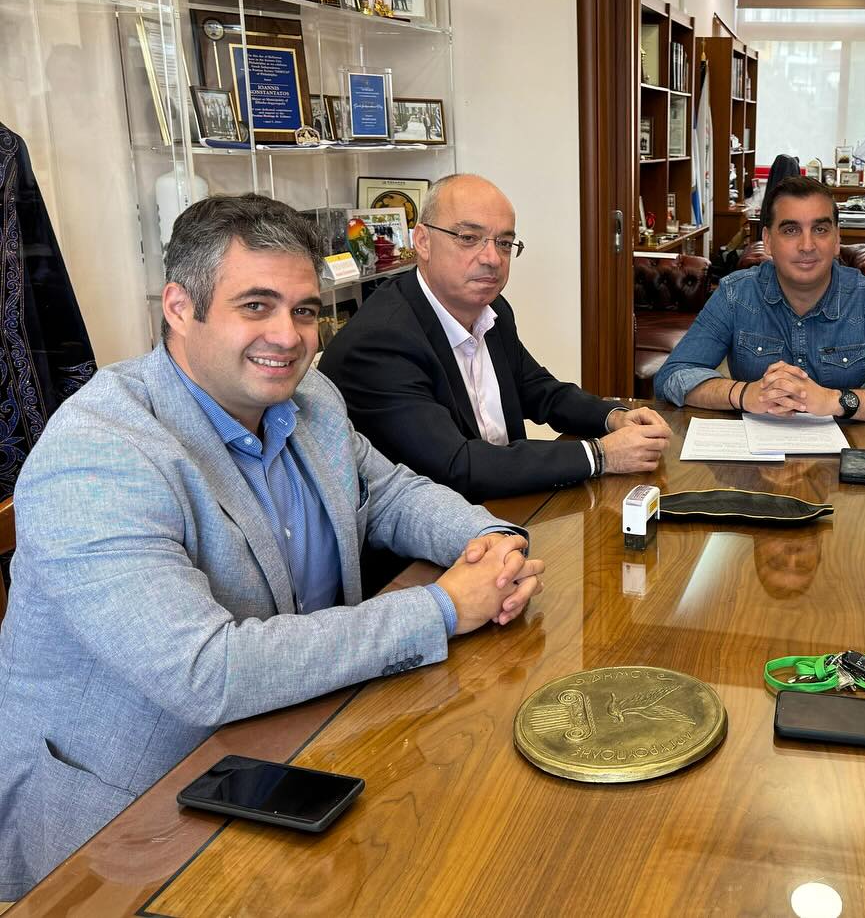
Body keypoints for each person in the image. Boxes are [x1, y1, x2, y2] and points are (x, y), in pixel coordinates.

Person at [0, 195, 544, 899]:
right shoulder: (100, 452)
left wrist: (488, 539)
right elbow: (205, 671)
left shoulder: (309, 398)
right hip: (131, 826)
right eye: (255, 305)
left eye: (304, 310)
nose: (288, 336)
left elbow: (390, 493)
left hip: (301, 743)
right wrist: (441, 608)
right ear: (179, 307)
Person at [319, 174, 672, 502]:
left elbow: (538, 389)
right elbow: (456, 466)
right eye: (468, 238)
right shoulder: (380, 343)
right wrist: (601, 454)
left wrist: (614, 417)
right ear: (423, 242)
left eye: (504, 243)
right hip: (425, 534)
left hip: (503, 506)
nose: (492, 258)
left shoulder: (491, 308)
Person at [655, 175, 865, 423]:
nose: (807, 245)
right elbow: (672, 377)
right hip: (756, 455)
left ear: (837, 239)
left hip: (850, 457)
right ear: (768, 241)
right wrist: (745, 393)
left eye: (820, 229)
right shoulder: (735, 294)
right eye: (791, 230)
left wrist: (834, 400)